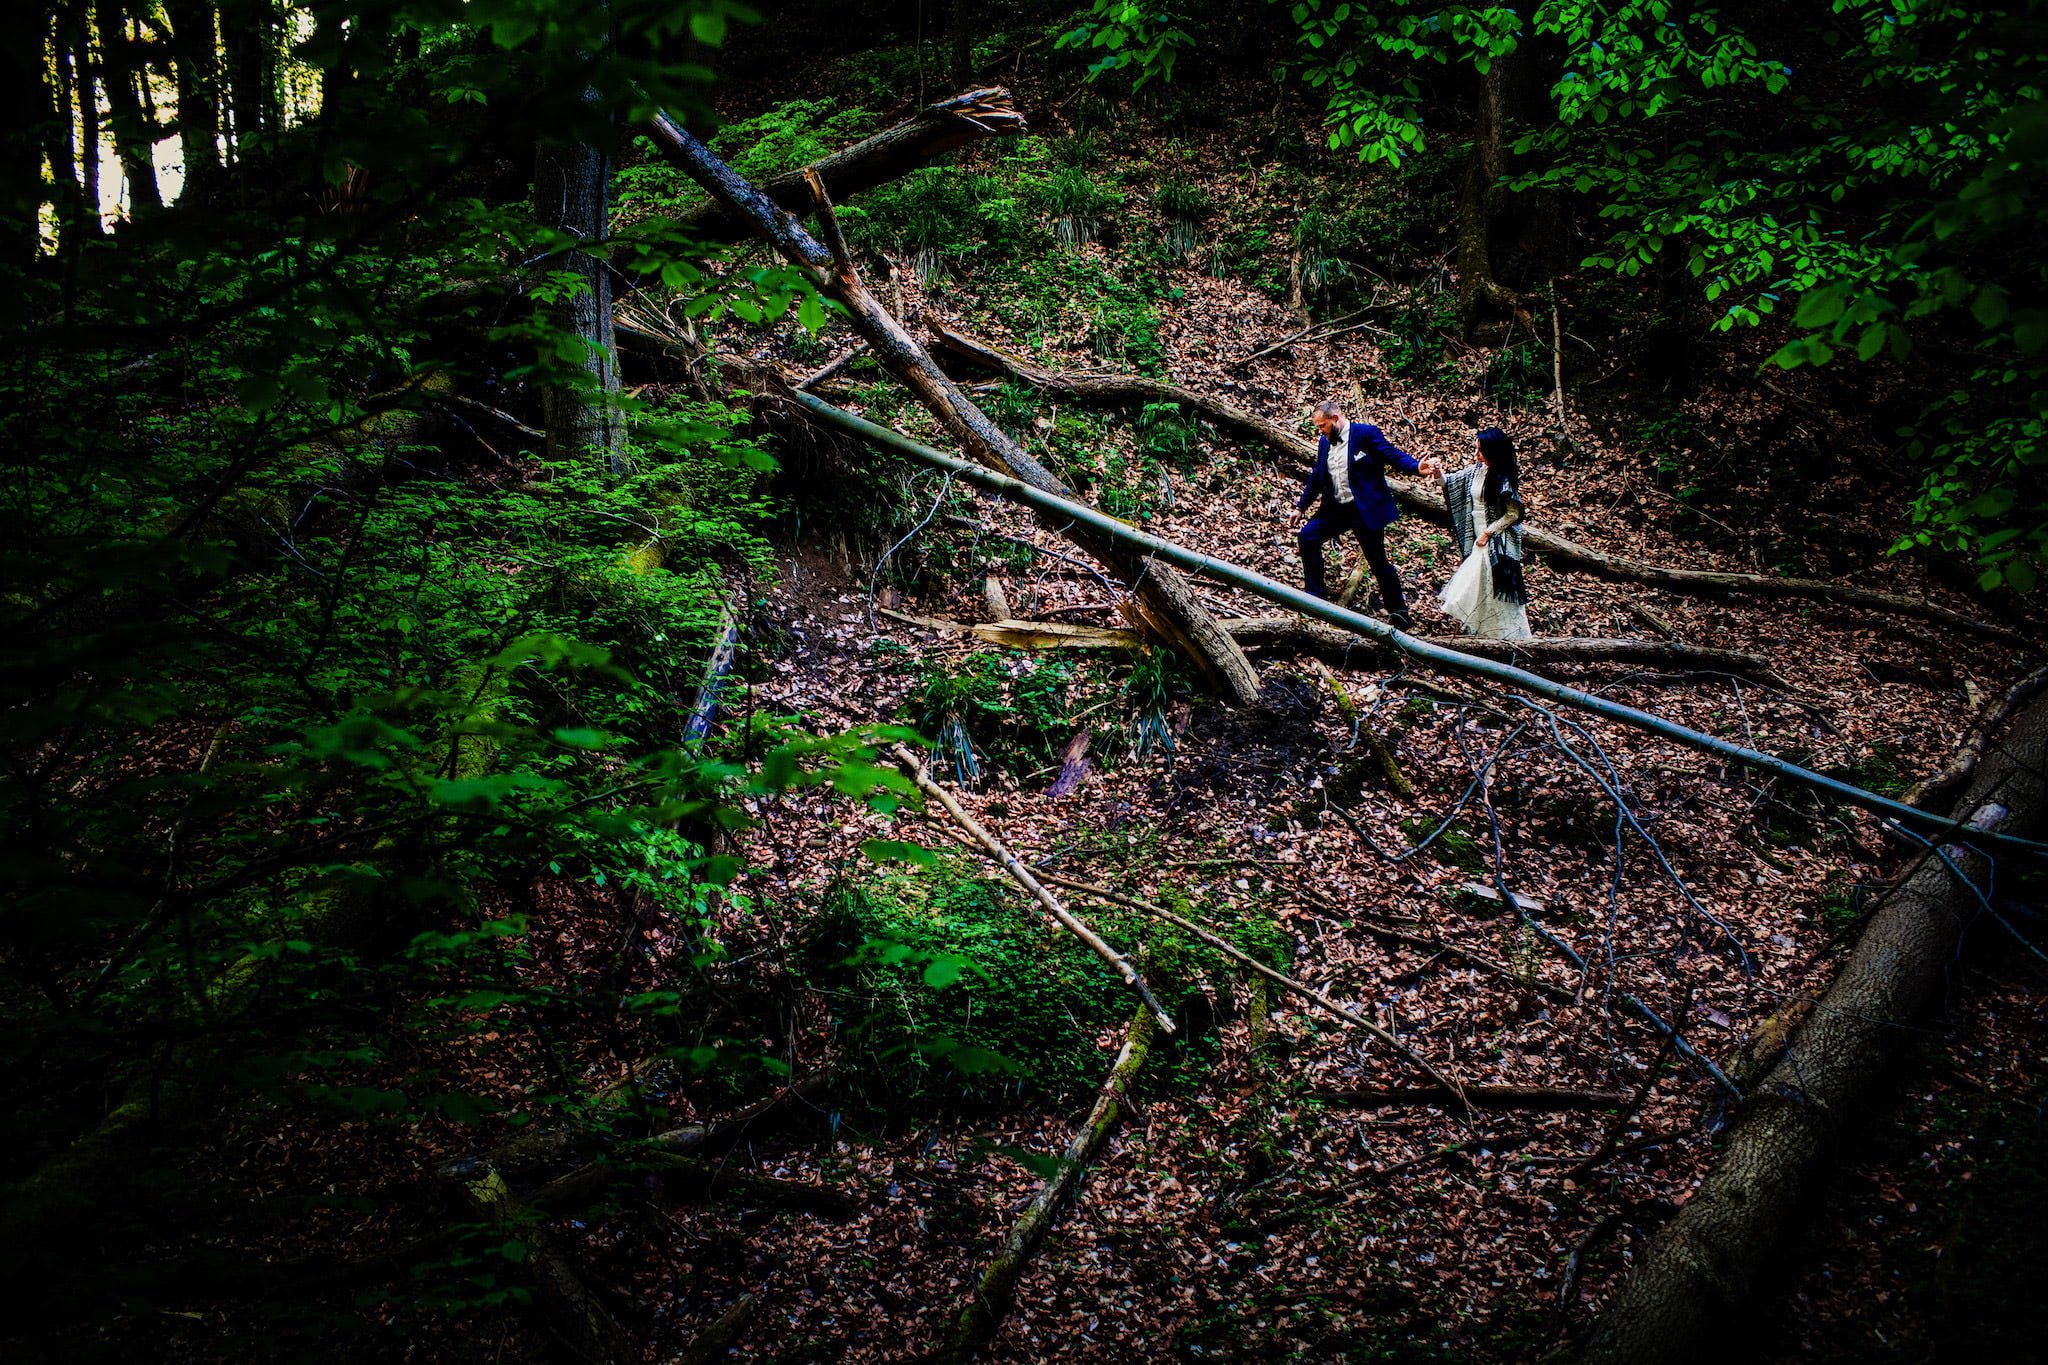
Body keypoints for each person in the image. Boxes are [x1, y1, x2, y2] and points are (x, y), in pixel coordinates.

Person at [1290, 400, 1439, 628]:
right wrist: (1301, 507)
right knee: (1308, 537)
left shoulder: (1365, 434)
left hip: (1364, 509)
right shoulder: (1324, 442)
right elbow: (1317, 476)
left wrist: (1416, 467)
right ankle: (1315, 599)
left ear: (1335, 419)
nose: (1320, 431)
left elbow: (1391, 454)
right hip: (1336, 508)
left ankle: (1399, 612)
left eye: (1322, 426)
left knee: (1377, 560)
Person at [1437, 426, 1532, 641]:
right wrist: (1437, 473)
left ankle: (1506, 634)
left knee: (1491, 582)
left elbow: (1513, 513)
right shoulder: (1476, 471)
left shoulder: (1503, 478)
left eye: (1481, 451)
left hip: (1497, 540)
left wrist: (1488, 533)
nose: (1477, 455)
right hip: (1477, 531)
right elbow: (1450, 484)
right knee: (1480, 583)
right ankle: (1482, 629)